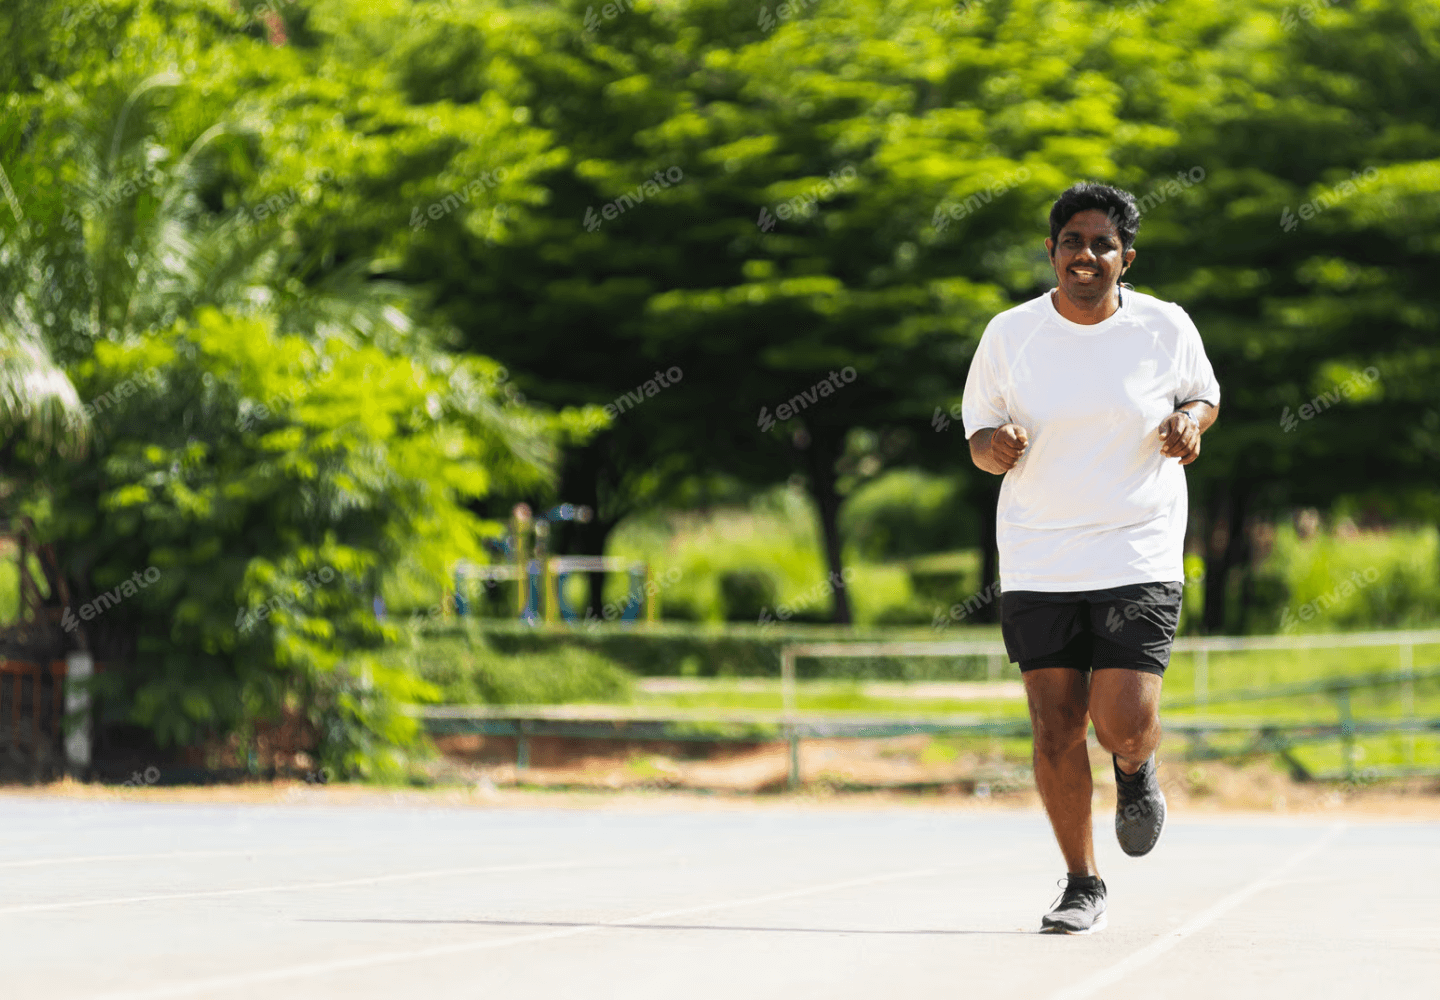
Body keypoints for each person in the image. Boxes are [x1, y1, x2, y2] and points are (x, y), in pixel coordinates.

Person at [961, 182, 1221, 935]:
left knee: (1122, 721)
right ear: (1051, 252)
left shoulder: (1164, 326)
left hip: (1137, 546)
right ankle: (1081, 882)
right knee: (1054, 727)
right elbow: (978, 434)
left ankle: (1135, 770)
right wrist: (992, 446)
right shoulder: (1009, 335)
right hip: (1041, 557)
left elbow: (1203, 395)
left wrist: (1189, 422)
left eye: (1102, 244)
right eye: (1072, 241)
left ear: (1125, 258)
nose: (1086, 255)